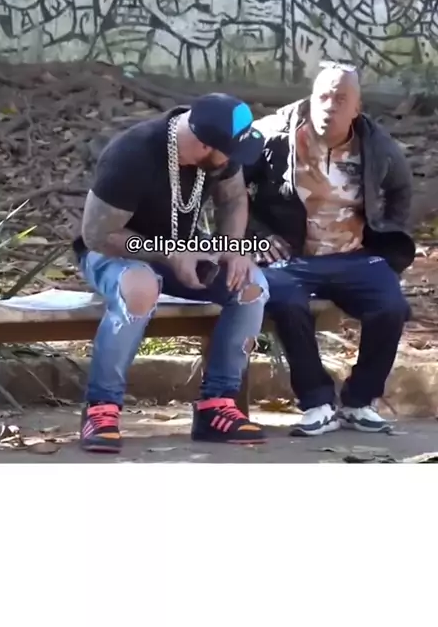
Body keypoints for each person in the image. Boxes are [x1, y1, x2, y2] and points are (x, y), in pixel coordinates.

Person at [73, 93, 270, 452]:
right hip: (115, 250)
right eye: (230, 152)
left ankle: (216, 406)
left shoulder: (218, 152)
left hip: (183, 246)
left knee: (251, 284)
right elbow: (97, 234)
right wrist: (170, 254)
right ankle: (101, 408)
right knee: (140, 287)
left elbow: (234, 198)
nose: (234, 161)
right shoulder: (132, 154)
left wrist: (231, 247)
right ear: (204, 144)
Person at [244, 62, 415, 436]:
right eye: (323, 96)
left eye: (340, 99)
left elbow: (401, 190)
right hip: (290, 257)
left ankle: (359, 402)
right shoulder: (272, 135)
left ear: (356, 107)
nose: (329, 106)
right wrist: (255, 236)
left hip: (354, 254)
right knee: (287, 302)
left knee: (391, 306)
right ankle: (317, 402)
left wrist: (387, 236)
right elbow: (228, 188)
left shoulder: (376, 145)